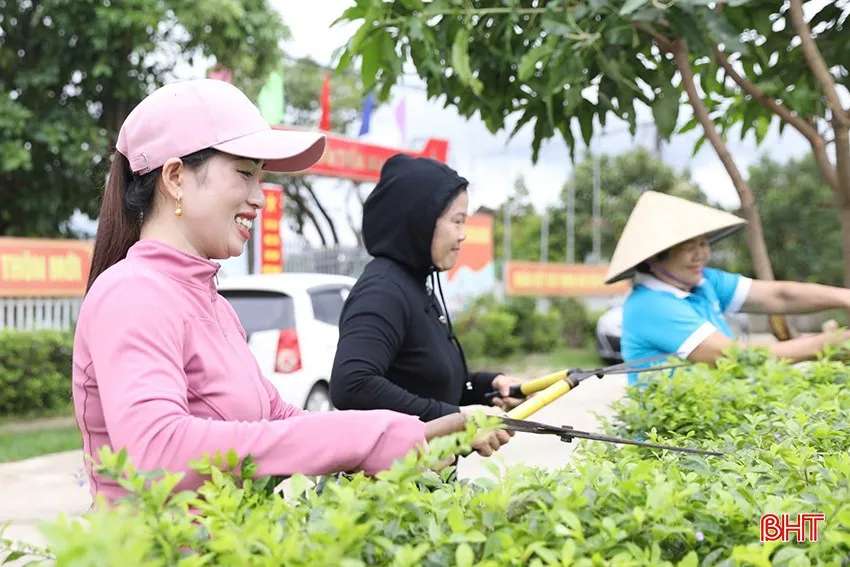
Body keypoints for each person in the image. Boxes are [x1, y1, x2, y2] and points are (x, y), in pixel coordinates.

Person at [72, 79, 491, 505]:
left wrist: (414, 435)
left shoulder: (210, 301)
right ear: (176, 177)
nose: (260, 198)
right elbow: (157, 450)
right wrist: (368, 437)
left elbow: (276, 416)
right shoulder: (133, 293)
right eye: (244, 173)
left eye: (261, 178)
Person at [329, 154, 527, 458]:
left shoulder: (417, 285)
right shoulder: (382, 290)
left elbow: (432, 384)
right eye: (457, 221)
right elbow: (353, 385)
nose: (463, 235)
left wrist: (491, 387)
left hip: (428, 492)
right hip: (390, 496)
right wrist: (456, 422)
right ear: (419, 220)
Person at [604, 190, 850, 386]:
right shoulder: (651, 306)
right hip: (673, 440)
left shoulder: (703, 281)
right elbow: (733, 357)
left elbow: (778, 296)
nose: (701, 255)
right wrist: (834, 342)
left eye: (703, 243)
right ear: (654, 257)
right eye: (689, 247)